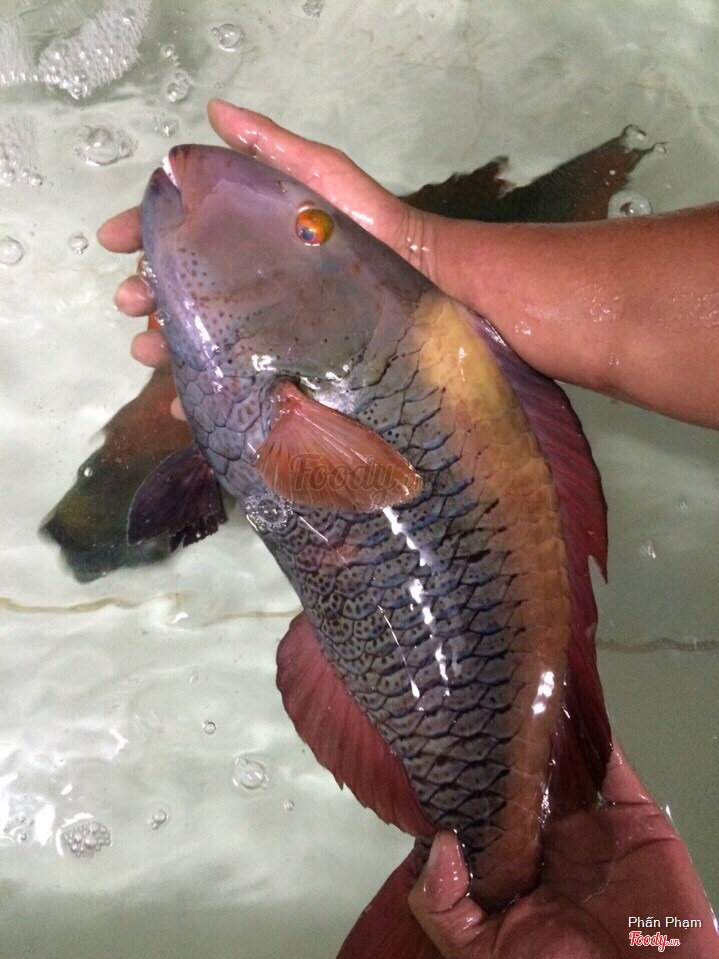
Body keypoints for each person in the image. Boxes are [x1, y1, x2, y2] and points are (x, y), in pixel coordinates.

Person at [98, 100, 719, 958]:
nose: (206, 178)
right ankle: (496, 865)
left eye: (310, 228)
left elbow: (340, 466)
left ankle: (488, 873)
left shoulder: (321, 389)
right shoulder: (338, 365)